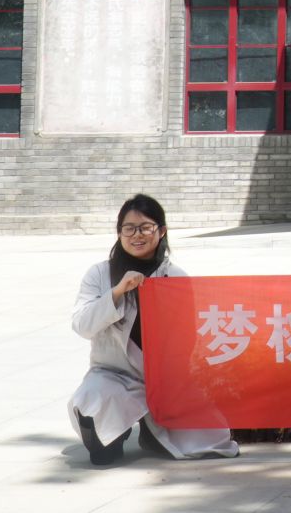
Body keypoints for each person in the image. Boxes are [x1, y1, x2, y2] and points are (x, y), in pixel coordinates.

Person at [70, 194, 237, 466]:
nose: (137, 235)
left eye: (146, 227)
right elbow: (81, 325)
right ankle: (118, 432)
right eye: (129, 228)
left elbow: (187, 337)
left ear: (162, 231)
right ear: (119, 232)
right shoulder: (99, 275)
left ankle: (151, 431)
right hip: (113, 376)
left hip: (165, 380)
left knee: (210, 440)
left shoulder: (175, 277)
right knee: (100, 444)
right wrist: (117, 292)